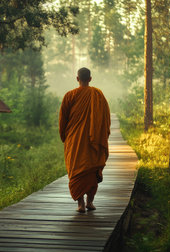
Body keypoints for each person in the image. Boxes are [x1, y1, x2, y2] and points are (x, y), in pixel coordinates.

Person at [59, 67, 111, 213]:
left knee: (76, 171)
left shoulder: (69, 96)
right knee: (92, 169)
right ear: (90, 79)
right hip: (92, 140)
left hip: (74, 140)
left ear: (77, 79)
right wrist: (102, 134)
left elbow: (63, 120)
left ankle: (80, 204)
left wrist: (64, 137)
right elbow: (105, 118)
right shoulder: (98, 94)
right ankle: (90, 202)